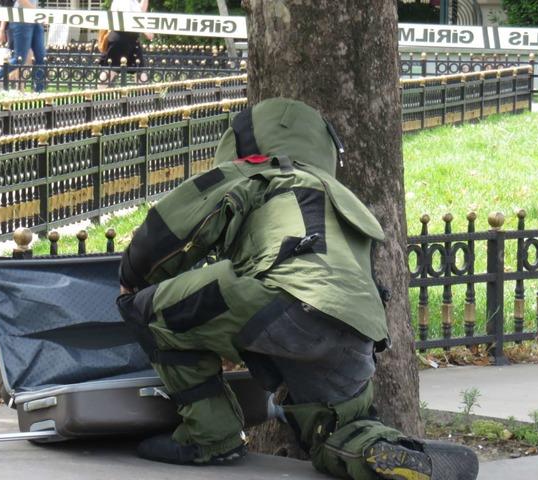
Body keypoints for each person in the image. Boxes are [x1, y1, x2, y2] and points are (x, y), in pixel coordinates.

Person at [116, 98, 479, 480]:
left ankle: (210, 437)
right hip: (358, 330)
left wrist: (133, 277)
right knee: (335, 430)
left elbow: (175, 224)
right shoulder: (341, 196)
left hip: (285, 300)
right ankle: (386, 451)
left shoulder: (259, 170)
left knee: (151, 311)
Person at [0, 0, 46, 93]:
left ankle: (39, 90)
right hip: (21, 20)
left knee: (41, 57)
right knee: (19, 59)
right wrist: (39, 14)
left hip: (35, 20)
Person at [98, 0, 152, 87]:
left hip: (132, 39)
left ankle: (145, 98)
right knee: (111, 69)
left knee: (140, 69)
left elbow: (140, 13)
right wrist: (146, 31)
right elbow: (127, 19)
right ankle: (97, 96)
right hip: (121, 38)